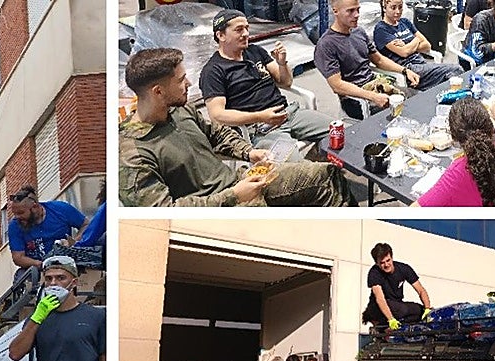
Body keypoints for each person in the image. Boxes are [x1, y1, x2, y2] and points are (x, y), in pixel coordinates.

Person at [120, 48, 353, 207]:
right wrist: (233, 196)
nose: (188, 84)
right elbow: (164, 211)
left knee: (326, 175)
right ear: (157, 91)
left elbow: (216, 132)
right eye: (181, 80)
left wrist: (249, 152)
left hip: (241, 180)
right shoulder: (133, 153)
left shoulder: (180, 110)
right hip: (221, 206)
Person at [200, 9, 332, 150]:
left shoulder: (255, 51)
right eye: (239, 30)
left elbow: (286, 82)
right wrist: (260, 116)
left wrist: (282, 63)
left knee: (343, 132)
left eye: (246, 28)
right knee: (290, 167)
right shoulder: (213, 71)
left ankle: (319, 157)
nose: (245, 34)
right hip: (259, 128)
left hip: (288, 113)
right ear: (221, 35)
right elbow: (217, 115)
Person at [315, 0, 417, 119]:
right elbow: (337, 85)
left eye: (358, 9)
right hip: (355, 99)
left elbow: (378, 60)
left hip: (376, 84)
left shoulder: (359, 32)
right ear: (335, 11)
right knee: (404, 111)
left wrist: (405, 71)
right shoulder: (326, 45)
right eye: (351, 11)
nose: (357, 14)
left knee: (418, 98)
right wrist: (372, 96)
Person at [373, 0, 464, 90]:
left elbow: (427, 45)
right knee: (455, 70)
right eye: (393, 8)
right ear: (384, 8)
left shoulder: (404, 22)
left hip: (421, 63)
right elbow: (404, 52)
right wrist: (416, 40)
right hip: (409, 69)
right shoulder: (381, 30)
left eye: (400, 7)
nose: (398, 11)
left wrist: (408, 44)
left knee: (450, 78)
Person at [5, 185, 86, 277]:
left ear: (34, 206)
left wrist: (75, 243)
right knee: (21, 277)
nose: (17, 217)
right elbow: (18, 257)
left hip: (67, 261)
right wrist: (40, 264)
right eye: (15, 214)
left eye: (21, 213)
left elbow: (86, 225)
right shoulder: (15, 225)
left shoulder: (60, 209)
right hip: (37, 268)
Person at [361, 243, 432, 330]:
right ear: (377, 263)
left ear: (392, 257)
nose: (386, 265)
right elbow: (380, 299)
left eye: (388, 260)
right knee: (401, 310)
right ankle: (382, 324)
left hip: (396, 304)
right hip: (378, 307)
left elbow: (420, 290)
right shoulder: (374, 273)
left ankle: (395, 326)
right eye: (382, 263)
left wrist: (427, 308)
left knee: (420, 310)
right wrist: (391, 319)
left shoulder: (404, 269)